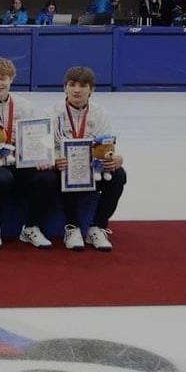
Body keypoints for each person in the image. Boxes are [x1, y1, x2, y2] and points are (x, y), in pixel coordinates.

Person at [0, 57, 55, 249]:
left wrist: (41, 156)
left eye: (3, 78)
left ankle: (31, 227)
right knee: (2, 178)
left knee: (48, 177)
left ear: (11, 79)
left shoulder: (26, 107)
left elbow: (38, 138)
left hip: (21, 163)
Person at [50, 66, 125, 251]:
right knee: (63, 173)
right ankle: (72, 227)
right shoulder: (51, 112)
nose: (77, 90)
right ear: (64, 87)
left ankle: (97, 226)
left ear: (92, 89)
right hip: (64, 166)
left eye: (83, 86)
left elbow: (106, 144)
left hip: (92, 166)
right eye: (72, 84)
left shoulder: (100, 114)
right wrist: (55, 160)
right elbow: (45, 145)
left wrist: (115, 158)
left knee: (118, 175)